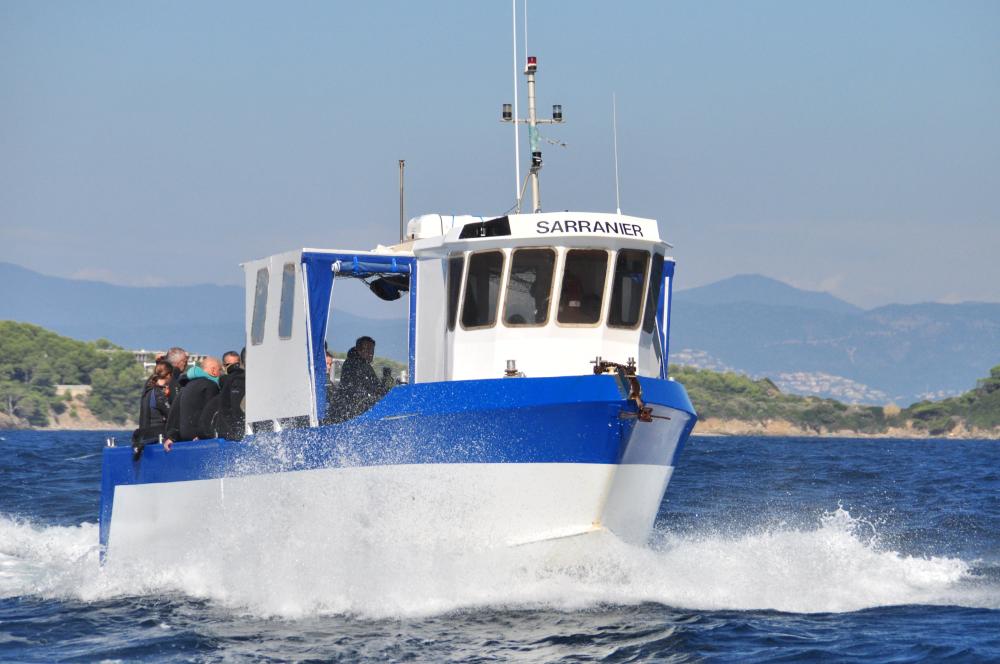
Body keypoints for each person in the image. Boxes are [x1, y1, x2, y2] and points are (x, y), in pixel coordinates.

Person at [326, 336, 393, 423]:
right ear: (358, 350)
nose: (370, 354)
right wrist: (386, 384)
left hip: (347, 410)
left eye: (372, 351)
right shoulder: (356, 364)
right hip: (348, 411)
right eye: (367, 350)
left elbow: (373, 388)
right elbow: (374, 389)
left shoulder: (359, 363)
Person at [163, 356, 223, 451]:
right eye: (220, 370)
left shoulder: (186, 386)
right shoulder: (211, 386)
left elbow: (174, 412)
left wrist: (171, 437)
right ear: (213, 370)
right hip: (200, 441)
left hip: (184, 440)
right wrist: (203, 435)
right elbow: (210, 413)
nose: (221, 374)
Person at [130, 360, 173, 458]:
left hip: (145, 432)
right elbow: (170, 414)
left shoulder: (148, 389)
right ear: (168, 375)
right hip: (156, 433)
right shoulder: (159, 394)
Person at [216, 348, 247, 440]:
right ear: (223, 366)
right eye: (230, 365)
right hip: (232, 435)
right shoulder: (238, 380)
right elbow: (236, 408)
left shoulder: (237, 380)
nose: (234, 367)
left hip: (229, 433)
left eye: (236, 364)